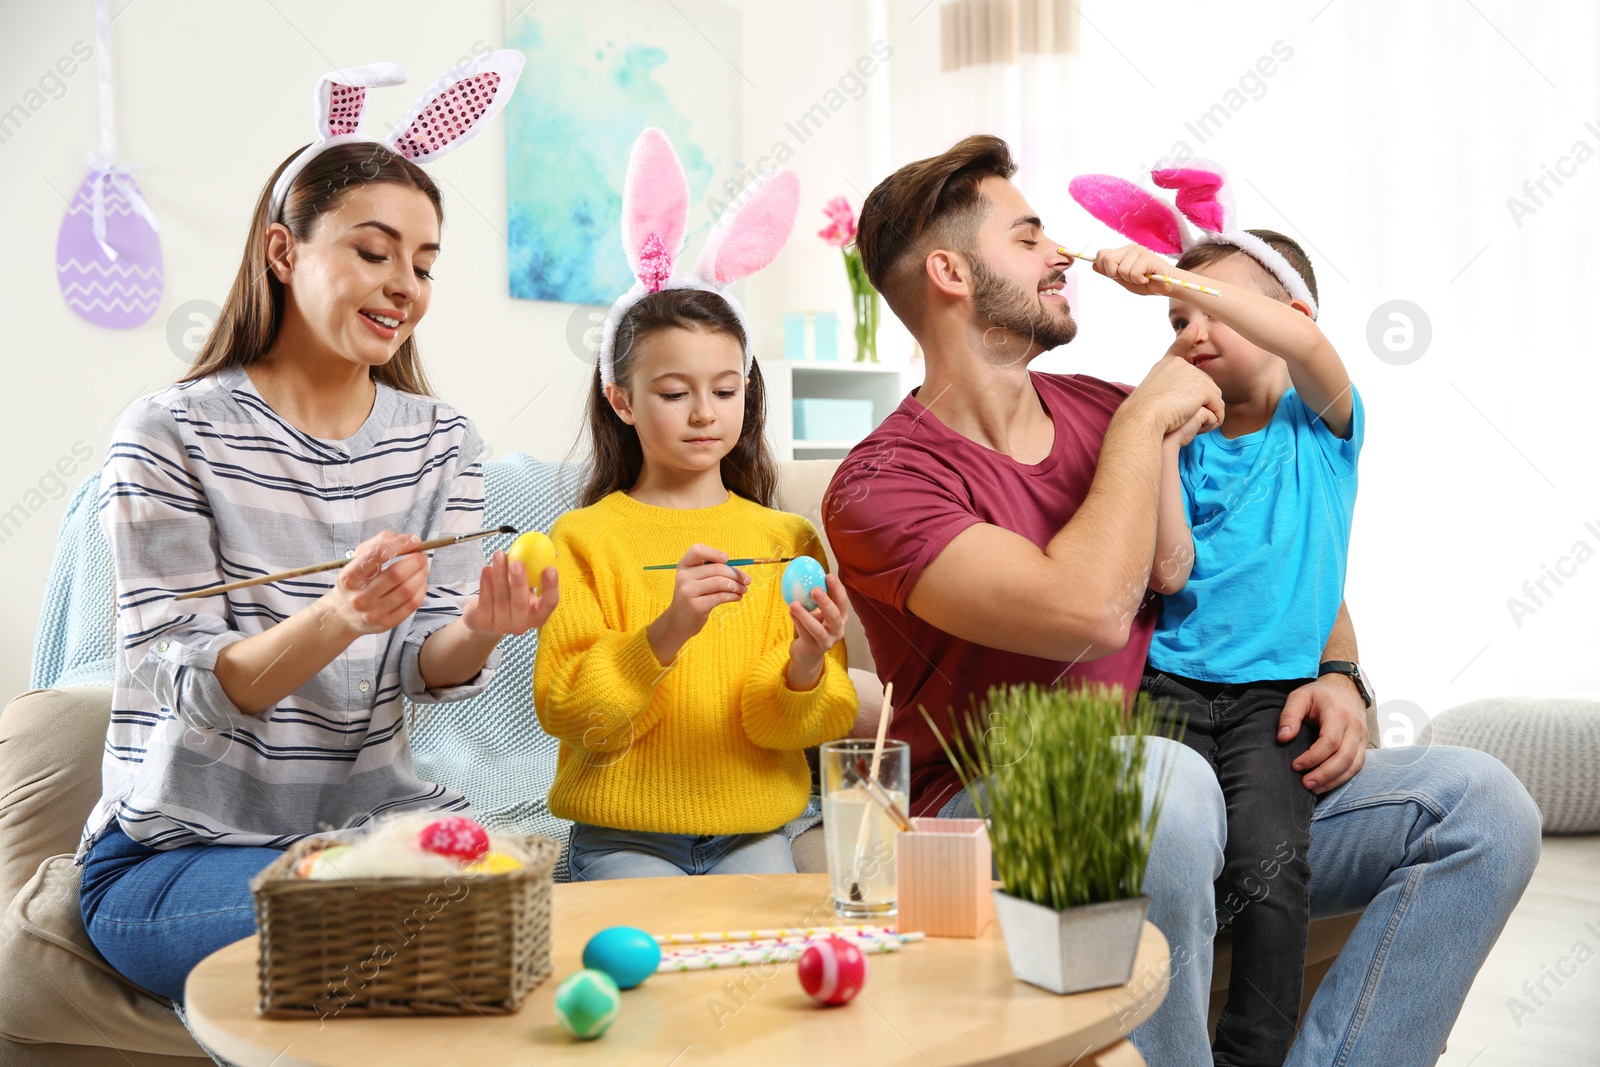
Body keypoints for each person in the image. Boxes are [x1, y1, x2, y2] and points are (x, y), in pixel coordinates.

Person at [823, 134, 1541, 1065]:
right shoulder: (882, 484)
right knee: (1167, 784)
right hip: (985, 821)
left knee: (1485, 806)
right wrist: (1140, 428)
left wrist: (1339, 672)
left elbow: (1276, 547)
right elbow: (1085, 610)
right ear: (952, 271)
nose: (1060, 256)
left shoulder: (1114, 404)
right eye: (1030, 236)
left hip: (1214, 759)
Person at [76, 55, 554, 1002]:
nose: (403, 285)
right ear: (283, 252)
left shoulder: (441, 441)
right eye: (373, 252)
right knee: (379, 937)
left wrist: (487, 628)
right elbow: (200, 688)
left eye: (423, 263)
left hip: (366, 827)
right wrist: (336, 618)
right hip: (177, 850)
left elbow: (428, 662)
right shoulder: (169, 431)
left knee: (523, 911)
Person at [1084, 173, 1359, 1063]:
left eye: (1217, 310)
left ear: (1290, 314)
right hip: (1170, 686)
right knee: (1159, 868)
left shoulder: (1320, 425)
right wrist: (1161, 436)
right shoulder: (1187, 437)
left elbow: (1304, 343)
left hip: (1272, 699)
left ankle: (1253, 1054)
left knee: (1269, 872)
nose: (1191, 331)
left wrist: (1170, 277)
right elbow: (1169, 570)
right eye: (1175, 326)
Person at [532, 129, 857, 881]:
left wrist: (810, 660)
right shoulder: (583, 539)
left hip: (755, 831)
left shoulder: (785, 536)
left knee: (772, 991)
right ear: (622, 400)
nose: (704, 412)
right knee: (651, 992)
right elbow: (575, 714)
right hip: (624, 837)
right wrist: (668, 630)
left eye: (724, 388)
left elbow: (794, 726)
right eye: (674, 393)